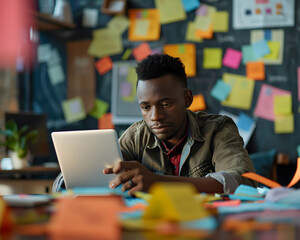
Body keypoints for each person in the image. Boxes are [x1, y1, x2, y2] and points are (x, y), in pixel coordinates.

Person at [53, 54, 256, 195]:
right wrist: (72, 179)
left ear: (187, 99)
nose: (155, 116)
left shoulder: (219, 129)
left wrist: (158, 183)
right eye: (145, 107)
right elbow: (64, 183)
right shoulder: (136, 136)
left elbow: (242, 181)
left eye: (166, 104)